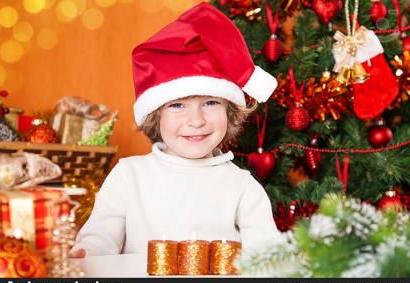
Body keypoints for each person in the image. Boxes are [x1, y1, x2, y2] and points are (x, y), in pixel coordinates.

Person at [71, 2, 281, 258]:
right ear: (155, 115)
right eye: (178, 105)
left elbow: (269, 257)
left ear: (230, 111)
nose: (196, 120)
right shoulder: (129, 175)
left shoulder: (241, 186)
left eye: (211, 102)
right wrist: (85, 254)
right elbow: (99, 240)